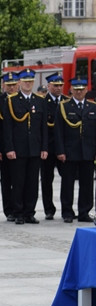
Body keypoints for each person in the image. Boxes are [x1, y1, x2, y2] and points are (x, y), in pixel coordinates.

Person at [3, 69, 48, 224]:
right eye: (25, 81)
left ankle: (30, 211)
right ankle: (18, 212)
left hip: (35, 148)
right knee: (18, 182)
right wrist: (9, 148)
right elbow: (7, 127)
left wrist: (44, 147)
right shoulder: (12, 100)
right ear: (19, 82)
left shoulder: (40, 100)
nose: (28, 83)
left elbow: (43, 127)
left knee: (32, 182)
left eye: (30, 81)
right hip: (18, 148)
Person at [55, 78, 95, 223]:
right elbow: (58, 131)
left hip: (88, 152)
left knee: (87, 184)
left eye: (82, 89)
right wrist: (60, 151)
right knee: (67, 184)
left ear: (86, 90)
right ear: (71, 90)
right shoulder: (64, 106)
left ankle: (84, 211)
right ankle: (67, 212)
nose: (79, 92)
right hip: (69, 151)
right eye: (76, 89)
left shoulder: (93, 106)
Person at [0, 72, 20, 221]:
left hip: (21, 147)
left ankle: (19, 208)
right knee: (6, 180)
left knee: (20, 180)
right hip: (4, 148)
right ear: (3, 85)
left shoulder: (22, 100)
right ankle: (8, 209)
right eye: (8, 85)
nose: (11, 87)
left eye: (14, 84)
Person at [41, 73, 66, 220]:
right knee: (46, 180)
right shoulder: (43, 102)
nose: (58, 88)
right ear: (48, 86)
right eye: (55, 85)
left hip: (63, 148)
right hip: (48, 148)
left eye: (60, 85)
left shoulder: (66, 102)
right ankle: (49, 209)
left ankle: (66, 208)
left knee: (67, 179)